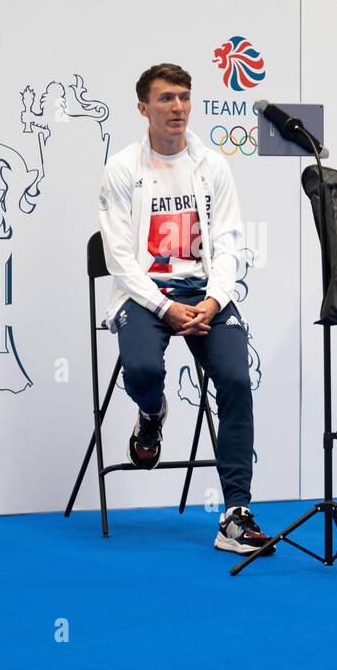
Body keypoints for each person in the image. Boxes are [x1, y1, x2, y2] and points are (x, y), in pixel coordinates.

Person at [96, 62, 272, 556]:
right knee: (145, 368)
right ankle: (152, 413)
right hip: (145, 293)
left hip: (205, 293)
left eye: (183, 98)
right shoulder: (123, 169)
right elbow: (119, 259)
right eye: (165, 99)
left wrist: (214, 300)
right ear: (143, 108)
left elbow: (231, 242)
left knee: (236, 380)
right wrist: (163, 307)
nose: (177, 108)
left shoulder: (213, 165)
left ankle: (235, 513)